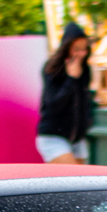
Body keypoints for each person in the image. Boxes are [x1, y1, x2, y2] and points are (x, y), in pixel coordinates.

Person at [37, 22, 95, 164]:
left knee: (80, 183)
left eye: (84, 49)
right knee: (75, 179)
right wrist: (71, 79)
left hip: (76, 138)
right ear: (67, 48)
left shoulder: (85, 70)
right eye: (76, 49)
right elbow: (54, 104)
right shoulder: (52, 69)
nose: (81, 54)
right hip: (53, 136)